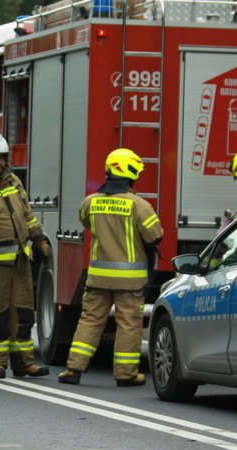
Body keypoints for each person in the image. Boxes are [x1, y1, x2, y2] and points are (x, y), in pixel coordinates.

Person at [58, 148, 163, 386]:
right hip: (130, 281)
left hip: (97, 279)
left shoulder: (90, 203)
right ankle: (126, 375)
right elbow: (156, 236)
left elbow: (84, 221)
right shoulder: (139, 205)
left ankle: (74, 368)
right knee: (128, 324)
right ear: (131, 173)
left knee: (90, 321)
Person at [0, 131, 51, 379]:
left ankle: (24, 363)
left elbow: (27, 213)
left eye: (2, 158)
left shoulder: (14, 181)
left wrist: (39, 239)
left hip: (20, 261)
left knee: (24, 313)